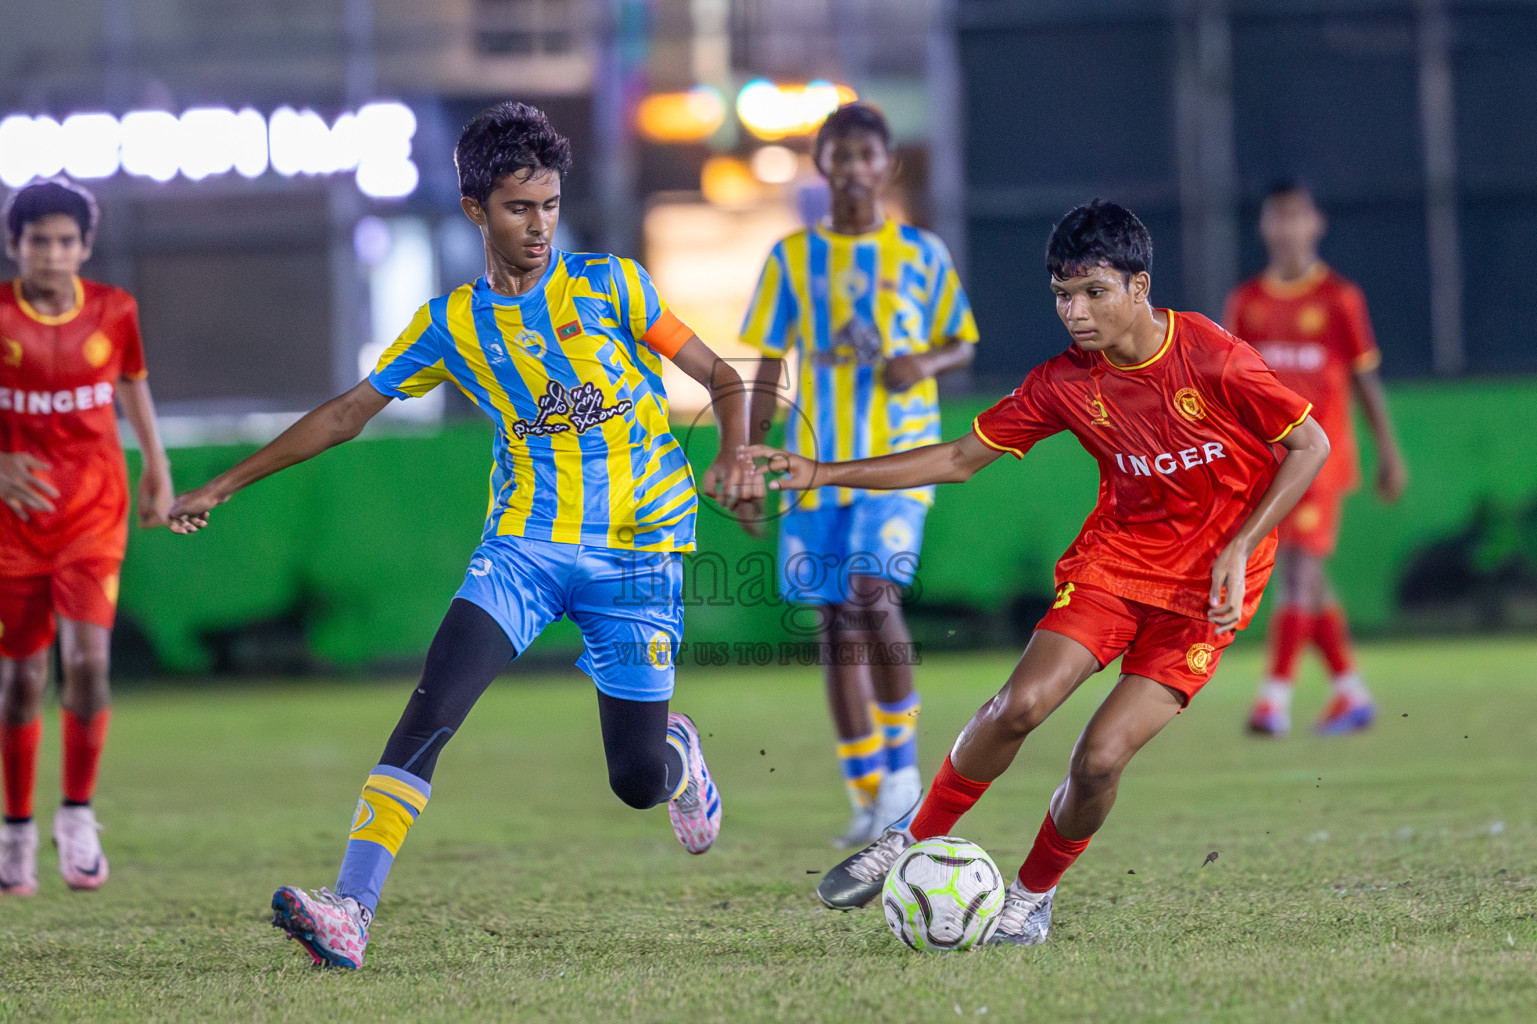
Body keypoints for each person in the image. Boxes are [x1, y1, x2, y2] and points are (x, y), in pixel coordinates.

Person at [168, 102, 756, 968]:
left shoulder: (613, 287)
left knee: (633, 782)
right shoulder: (450, 324)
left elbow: (722, 376)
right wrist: (225, 482)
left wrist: (736, 455)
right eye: (520, 208)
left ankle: (674, 748)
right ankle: (351, 913)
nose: (540, 226)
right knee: (429, 710)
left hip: (638, 552)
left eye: (550, 205)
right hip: (521, 551)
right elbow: (345, 416)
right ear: (476, 209)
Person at [750, 200, 1328, 945]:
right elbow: (959, 458)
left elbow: (1307, 444)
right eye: (1061, 293)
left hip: (1206, 595)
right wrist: (823, 471)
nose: (1074, 311)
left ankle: (1029, 897)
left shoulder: (1211, 355)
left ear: (1137, 286)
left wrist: (1240, 544)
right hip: (1113, 567)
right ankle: (908, 837)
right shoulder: (1063, 382)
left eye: (1092, 292)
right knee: (1017, 706)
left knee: (1098, 761)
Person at [739, 103, 978, 848]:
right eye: (836, 155)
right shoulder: (789, 259)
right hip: (813, 467)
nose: (850, 168)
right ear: (821, 165)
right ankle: (867, 793)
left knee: (872, 594)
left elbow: (960, 341)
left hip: (897, 461)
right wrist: (748, 462)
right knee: (834, 624)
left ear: (887, 165)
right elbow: (769, 367)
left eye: (863, 154)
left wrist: (923, 363)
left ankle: (904, 783)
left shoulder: (920, 252)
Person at [0, 180, 173, 896]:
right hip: (15, 523)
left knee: (90, 665)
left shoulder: (113, 310)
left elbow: (132, 382)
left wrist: (156, 467)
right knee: (22, 680)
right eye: (39, 240)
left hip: (93, 514)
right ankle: (15, 830)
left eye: (65, 241)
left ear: (85, 247)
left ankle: (75, 815)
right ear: (16, 246)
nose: (52, 253)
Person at [1225, 180, 1407, 737]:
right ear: (1264, 226)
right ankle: (1350, 694)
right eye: (1275, 217)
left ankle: (1271, 702)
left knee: (1299, 568)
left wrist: (1388, 451)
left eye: (1295, 216)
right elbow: (1230, 386)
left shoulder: (1339, 300)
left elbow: (1365, 378)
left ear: (1315, 223)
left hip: (1322, 454)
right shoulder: (1247, 304)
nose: (1286, 227)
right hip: (1267, 459)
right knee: (1312, 576)